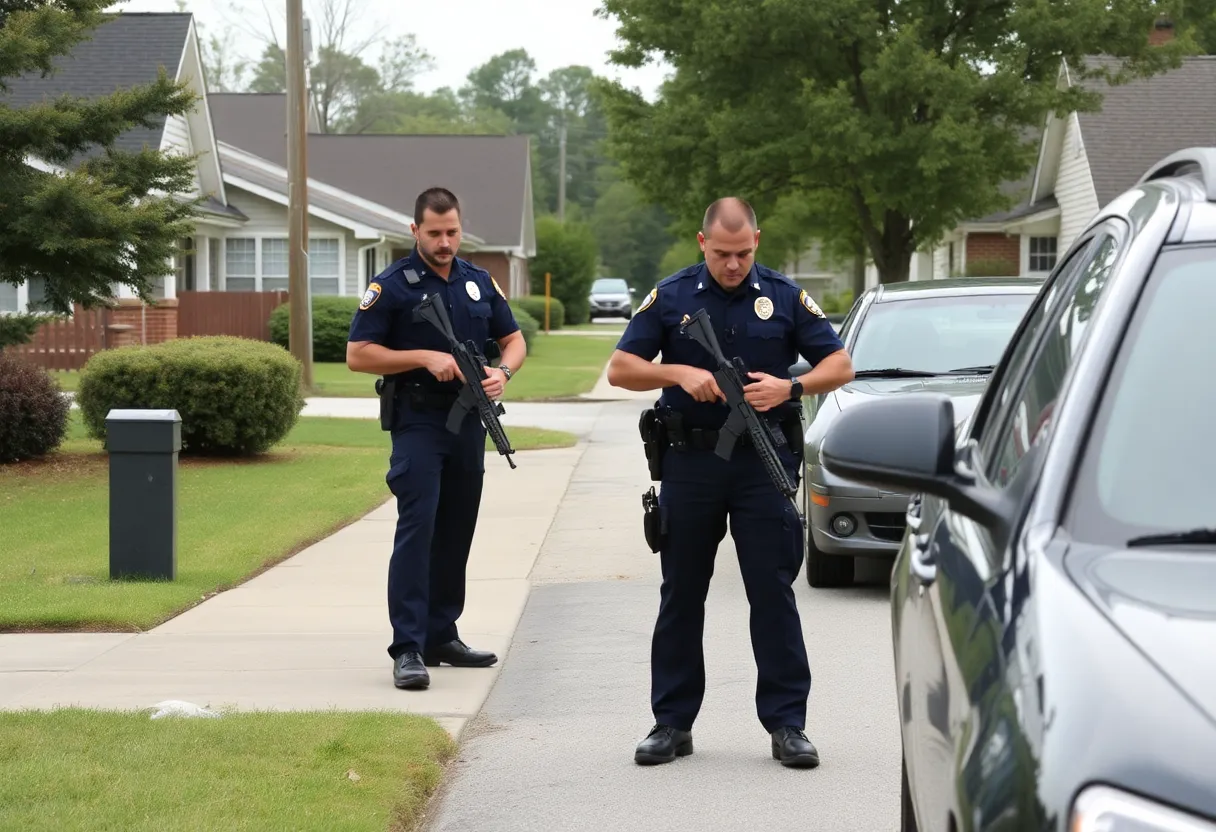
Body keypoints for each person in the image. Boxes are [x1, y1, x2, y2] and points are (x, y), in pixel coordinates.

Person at [606, 197, 854, 767]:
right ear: (702, 243)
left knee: (772, 594)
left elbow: (841, 365)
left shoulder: (785, 297)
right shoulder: (670, 297)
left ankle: (788, 724)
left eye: (743, 253)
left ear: (757, 242)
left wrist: (791, 388)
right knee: (682, 592)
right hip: (691, 464)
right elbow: (621, 369)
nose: (733, 264)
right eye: (722, 254)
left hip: (762, 464)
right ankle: (671, 723)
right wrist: (679, 372)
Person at [347, 186, 527, 691]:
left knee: (456, 529)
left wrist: (502, 374)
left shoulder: (477, 282)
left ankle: (440, 634)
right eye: (435, 233)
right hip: (419, 423)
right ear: (415, 230)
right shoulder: (393, 286)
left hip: (470, 422)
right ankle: (407, 646)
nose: (445, 242)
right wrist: (423, 358)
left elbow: (513, 340)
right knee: (418, 527)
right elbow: (358, 354)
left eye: (452, 232)